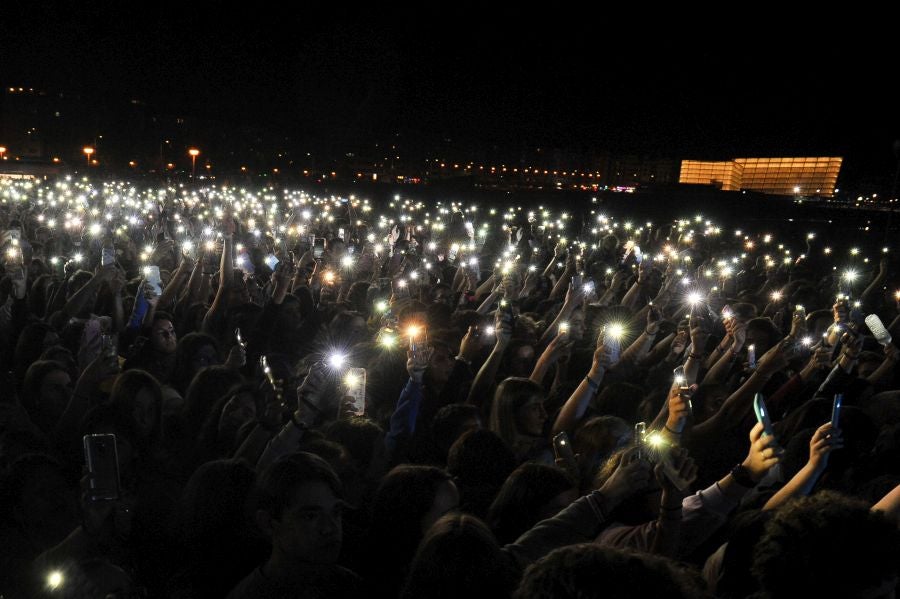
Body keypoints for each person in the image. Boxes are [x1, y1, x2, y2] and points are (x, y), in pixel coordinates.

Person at [227, 452, 360, 599]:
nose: (329, 528)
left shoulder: (348, 584)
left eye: (336, 512)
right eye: (310, 516)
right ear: (268, 523)